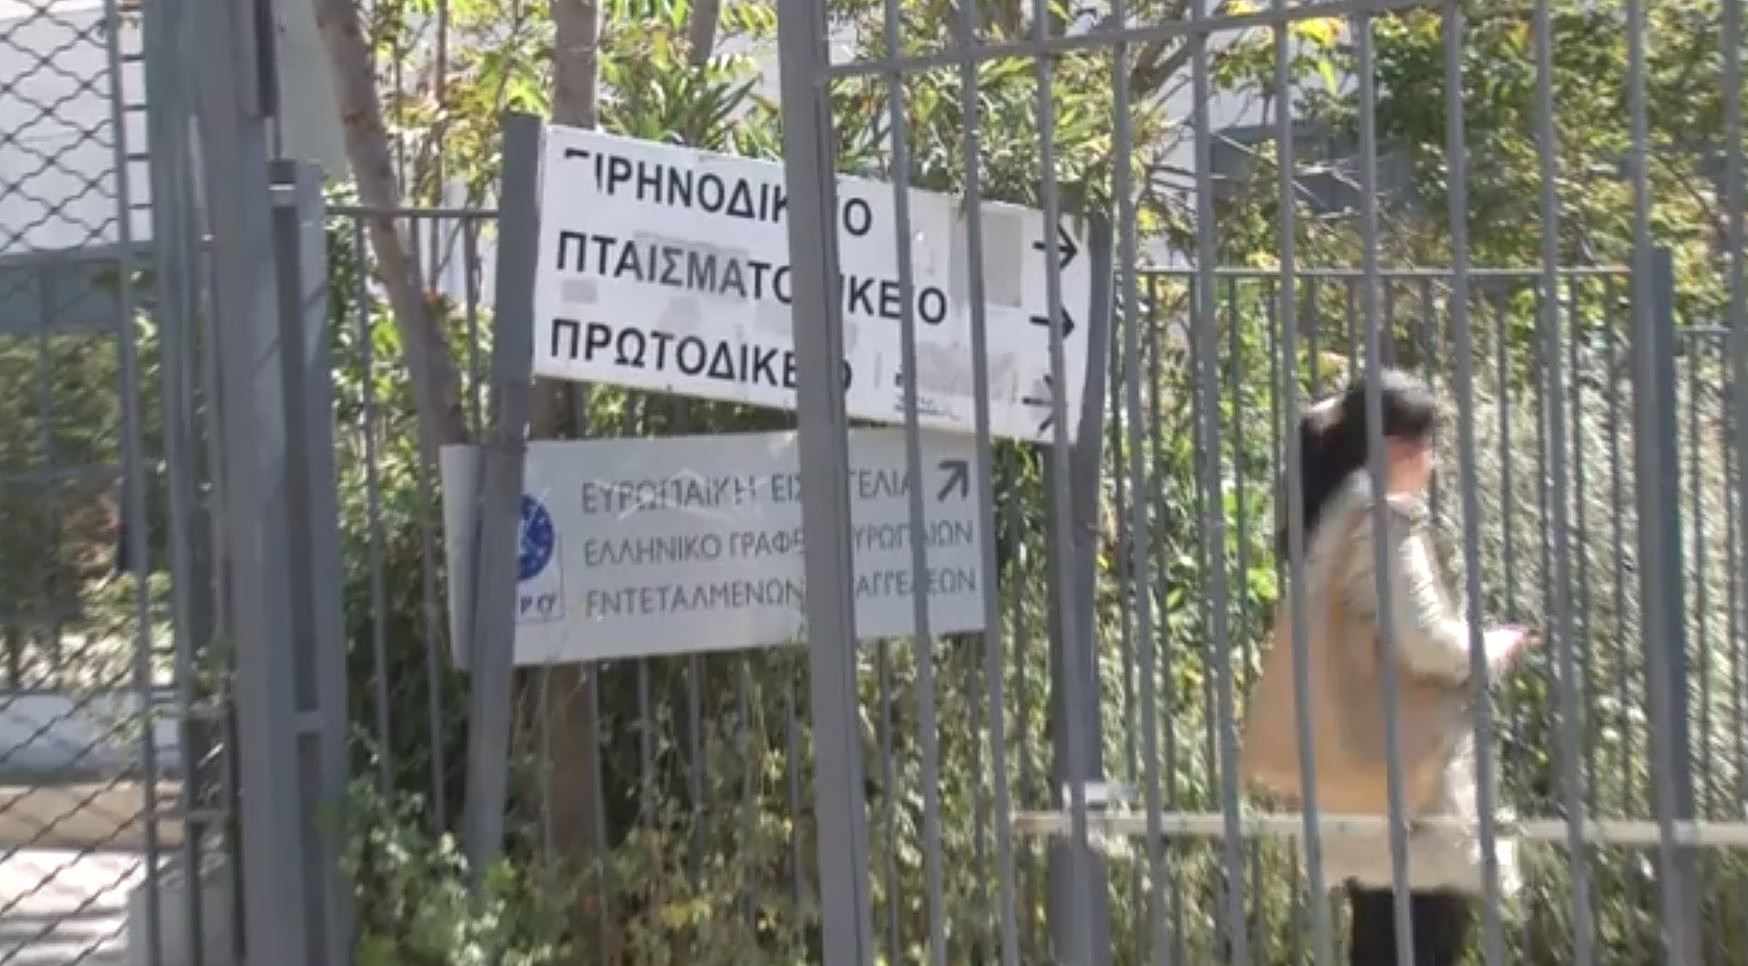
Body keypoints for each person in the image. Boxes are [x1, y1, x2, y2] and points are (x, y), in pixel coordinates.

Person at [1240, 369, 1535, 966]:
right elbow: (1427, 642)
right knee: (1420, 941)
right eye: (1428, 445)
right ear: (1401, 448)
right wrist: (1494, 647)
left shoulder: (1333, 516)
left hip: (1366, 781)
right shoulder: (1383, 520)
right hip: (1412, 789)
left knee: (1381, 939)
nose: (1433, 461)